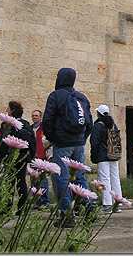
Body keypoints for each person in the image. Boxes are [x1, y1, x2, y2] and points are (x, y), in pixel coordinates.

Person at [42, 68, 93, 225]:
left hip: (62, 144)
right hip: (78, 144)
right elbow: (89, 123)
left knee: (61, 178)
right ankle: (89, 209)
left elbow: (47, 121)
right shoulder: (81, 97)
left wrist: (53, 139)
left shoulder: (56, 96)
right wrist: (81, 139)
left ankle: (67, 215)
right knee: (79, 177)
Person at [0, 100, 36, 215]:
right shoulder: (26, 124)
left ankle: (6, 207)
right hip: (23, 157)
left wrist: (1, 157)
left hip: (12, 157)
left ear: (12, 110)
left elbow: (4, 141)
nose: (6, 111)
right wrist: (30, 156)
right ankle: (21, 208)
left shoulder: (9, 125)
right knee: (21, 182)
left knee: (9, 182)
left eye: (8, 109)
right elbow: (33, 142)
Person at [90, 104, 123, 213]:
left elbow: (94, 142)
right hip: (113, 155)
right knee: (115, 179)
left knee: (104, 180)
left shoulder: (98, 125)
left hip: (103, 156)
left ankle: (107, 204)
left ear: (98, 113)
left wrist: (94, 155)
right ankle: (117, 204)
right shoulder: (113, 125)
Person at [31, 109, 50, 209]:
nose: (34, 117)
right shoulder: (30, 128)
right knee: (34, 180)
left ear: (40, 117)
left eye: (36, 116)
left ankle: (45, 201)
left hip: (42, 156)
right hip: (33, 157)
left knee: (43, 179)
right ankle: (36, 201)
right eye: (33, 116)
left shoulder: (44, 128)